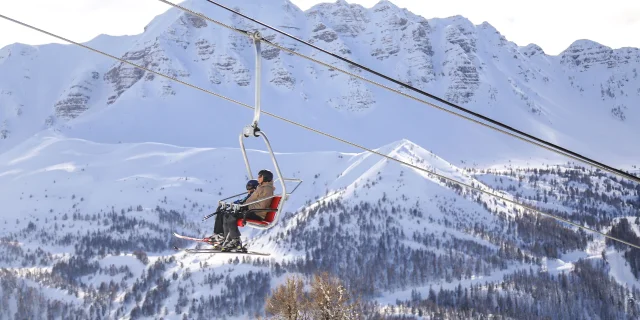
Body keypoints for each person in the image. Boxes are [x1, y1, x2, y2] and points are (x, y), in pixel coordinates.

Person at [221, 169, 275, 251]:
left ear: (265, 178)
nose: (258, 178)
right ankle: (228, 240)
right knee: (227, 214)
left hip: (257, 213)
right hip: (252, 210)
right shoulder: (261, 187)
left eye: (260, 176)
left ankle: (235, 241)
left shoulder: (267, 189)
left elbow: (262, 205)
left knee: (232, 215)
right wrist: (243, 206)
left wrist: (247, 207)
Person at [206, 179, 259, 248]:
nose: (248, 189)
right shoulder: (250, 195)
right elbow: (242, 201)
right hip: (243, 210)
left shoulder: (253, 196)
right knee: (221, 213)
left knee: (228, 215)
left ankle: (232, 239)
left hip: (247, 212)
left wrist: (238, 205)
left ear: (255, 188)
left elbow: (245, 203)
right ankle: (219, 234)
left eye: (249, 187)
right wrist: (234, 203)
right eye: (247, 187)